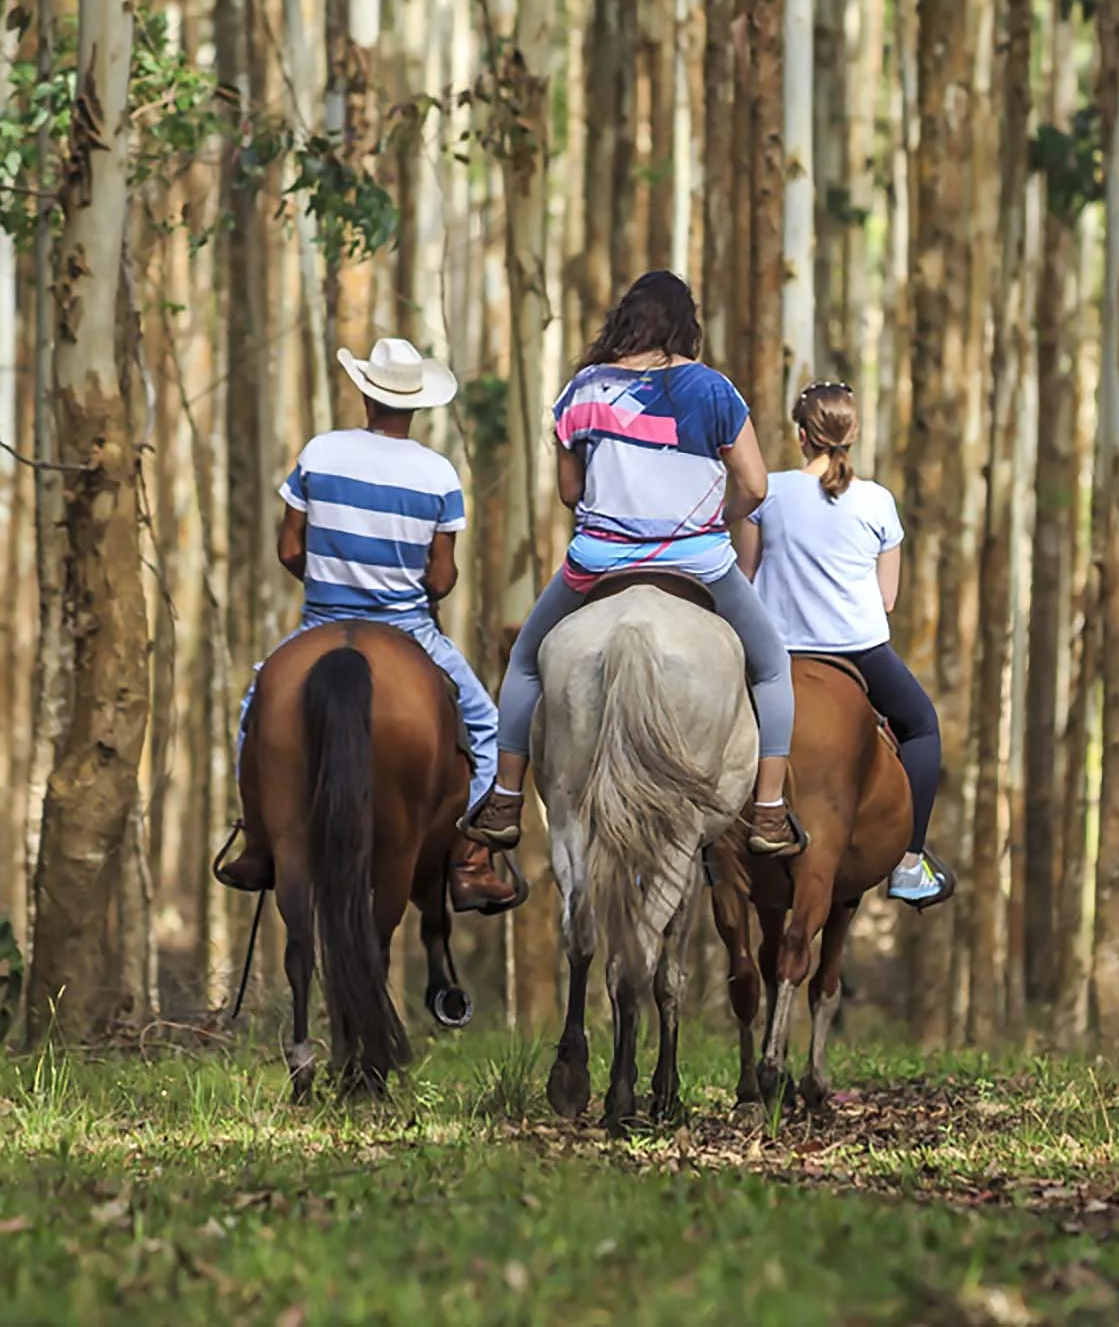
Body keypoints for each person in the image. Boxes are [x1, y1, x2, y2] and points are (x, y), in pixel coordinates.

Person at [461, 271, 800, 857]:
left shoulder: (585, 389)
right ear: (686, 325)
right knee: (772, 667)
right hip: (697, 559)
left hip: (598, 559)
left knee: (525, 662)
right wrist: (718, 516)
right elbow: (756, 485)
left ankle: (506, 797)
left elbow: (570, 493)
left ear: (627, 320)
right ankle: (769, 811)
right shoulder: (714, 389)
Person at [217, 337, 519, 915]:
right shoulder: (438, 474)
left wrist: (325, 579)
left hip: (321, 620)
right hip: (408, 629)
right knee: (487, 727)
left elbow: (288, 548)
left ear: (366, 395)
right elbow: (442, 576)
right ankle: (471, 861)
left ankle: (256, 841)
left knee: (254, 709)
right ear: (417, 404)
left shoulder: (320, 452)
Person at [732, 381, 950, 908]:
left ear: (801, 435)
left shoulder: (769, 492)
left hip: (777, 652)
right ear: (851, 436)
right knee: (922, 725)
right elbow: (887, 598)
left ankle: (685, 849)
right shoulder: (878, 501)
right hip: (859, 650)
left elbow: (746, 576)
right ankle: (909, 864)